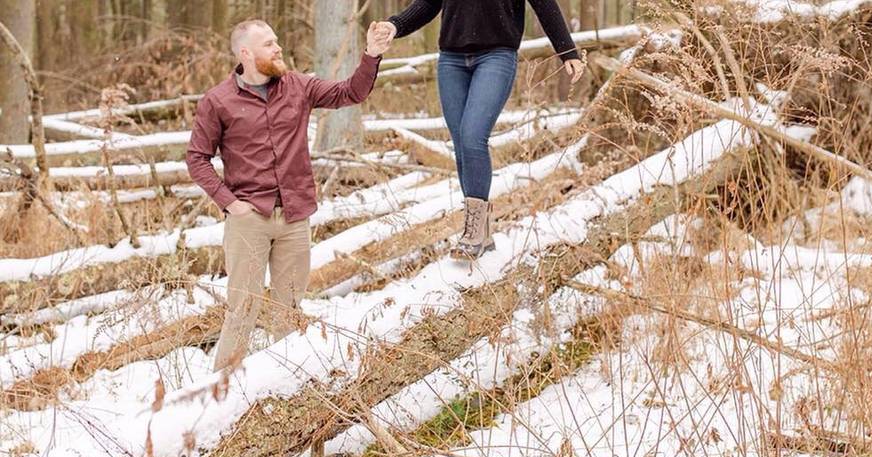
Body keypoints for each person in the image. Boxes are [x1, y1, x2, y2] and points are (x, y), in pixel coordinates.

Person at [187, 19, 395, 371]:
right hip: (249, 219)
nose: (278, 48)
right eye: (269, 44)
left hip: (296, 217)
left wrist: (371, 54)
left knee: (289, 311)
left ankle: (284, 386)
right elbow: (197, 157)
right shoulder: (218, 101)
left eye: (277, 41)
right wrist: (230, 203)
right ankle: (221, 396)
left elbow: (351, 93)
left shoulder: (298, 86)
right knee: (243, 310)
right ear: (246, 53)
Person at [383, 0, 586, 259]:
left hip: (496, 56)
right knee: (461, 143)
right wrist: (395, 24)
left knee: (472, 137)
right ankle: (482, 232)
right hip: (451, 60)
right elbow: (429, 3)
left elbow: (544, 4)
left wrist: (567, 50)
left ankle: (473, 233)